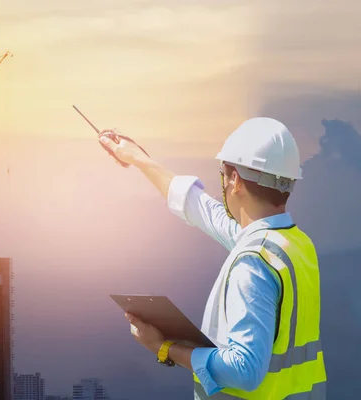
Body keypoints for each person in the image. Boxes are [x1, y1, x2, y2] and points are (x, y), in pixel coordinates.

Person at [98, 117, 327, 399]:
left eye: (223, 172)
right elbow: (201, 209)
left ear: (235, 180)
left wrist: (165, 348)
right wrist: (138, 159)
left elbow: (245, 370)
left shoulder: (253, 262)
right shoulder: (293, 244)